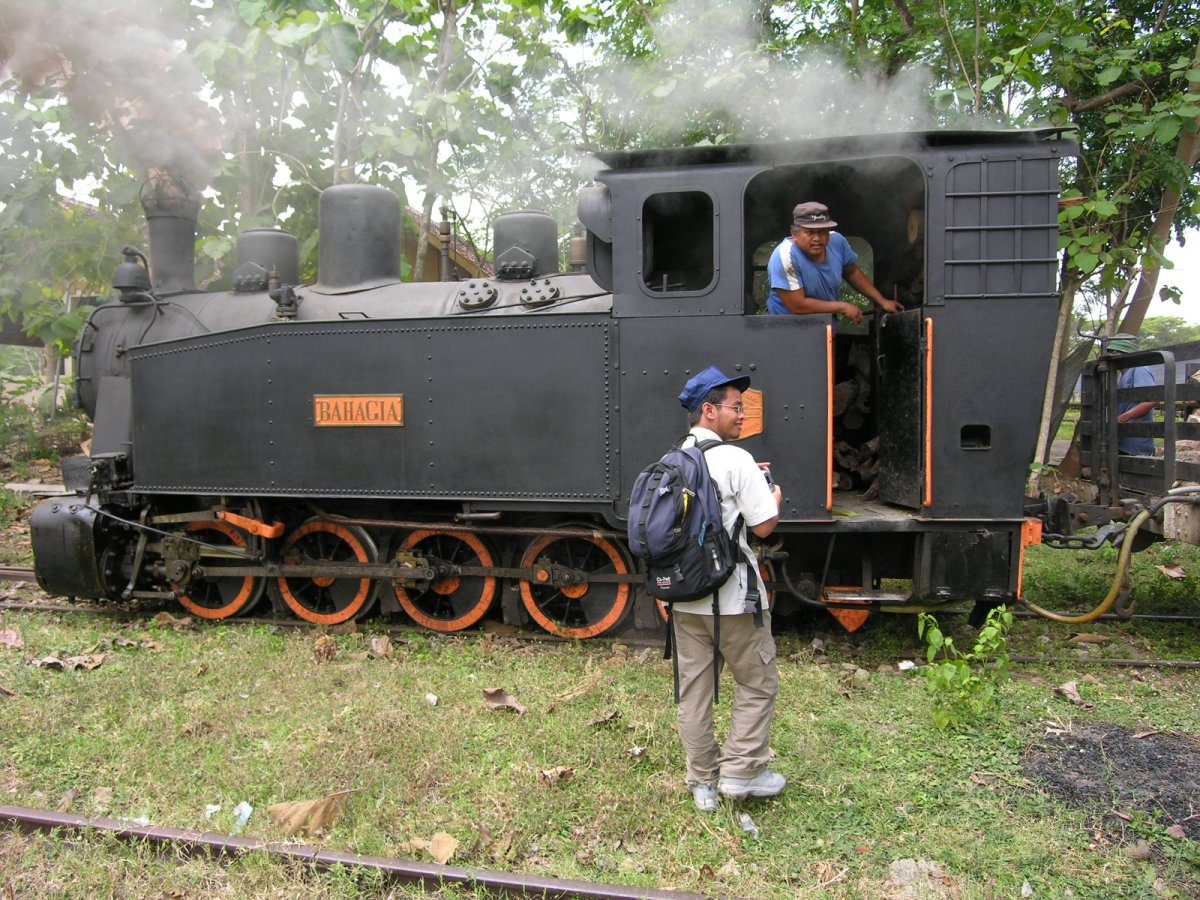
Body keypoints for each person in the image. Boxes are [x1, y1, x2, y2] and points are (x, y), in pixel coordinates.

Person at [673, 365, 784, 812]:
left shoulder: (674, 459)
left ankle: (702, 783)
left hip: (685, 598)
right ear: (709, 410)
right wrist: (771, 495)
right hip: (735, 597)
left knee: (694, 690)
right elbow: (763, 526)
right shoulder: (736, 460)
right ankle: (742, 772)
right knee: (758, 683)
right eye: (737, 407)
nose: (742, 415)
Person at [766, 201, 902, 323]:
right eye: (810, 232)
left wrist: (882, 301)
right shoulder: (785, 256)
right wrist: (843, 307)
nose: (817, 238)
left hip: (825, 324)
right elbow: (798, 306)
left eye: (822, 232)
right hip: (788, 329)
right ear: (795, 234)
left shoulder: (837, 241)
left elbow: (852, 272)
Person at [1107, 333, 1157, 457]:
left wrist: (1121, 419)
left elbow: (1153, 399)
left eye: (1115, 352)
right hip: (1123, 439)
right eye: (1110, 352)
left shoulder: (1139, 368)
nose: (1111, 355)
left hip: (1135, 441)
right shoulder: (1124, 374)